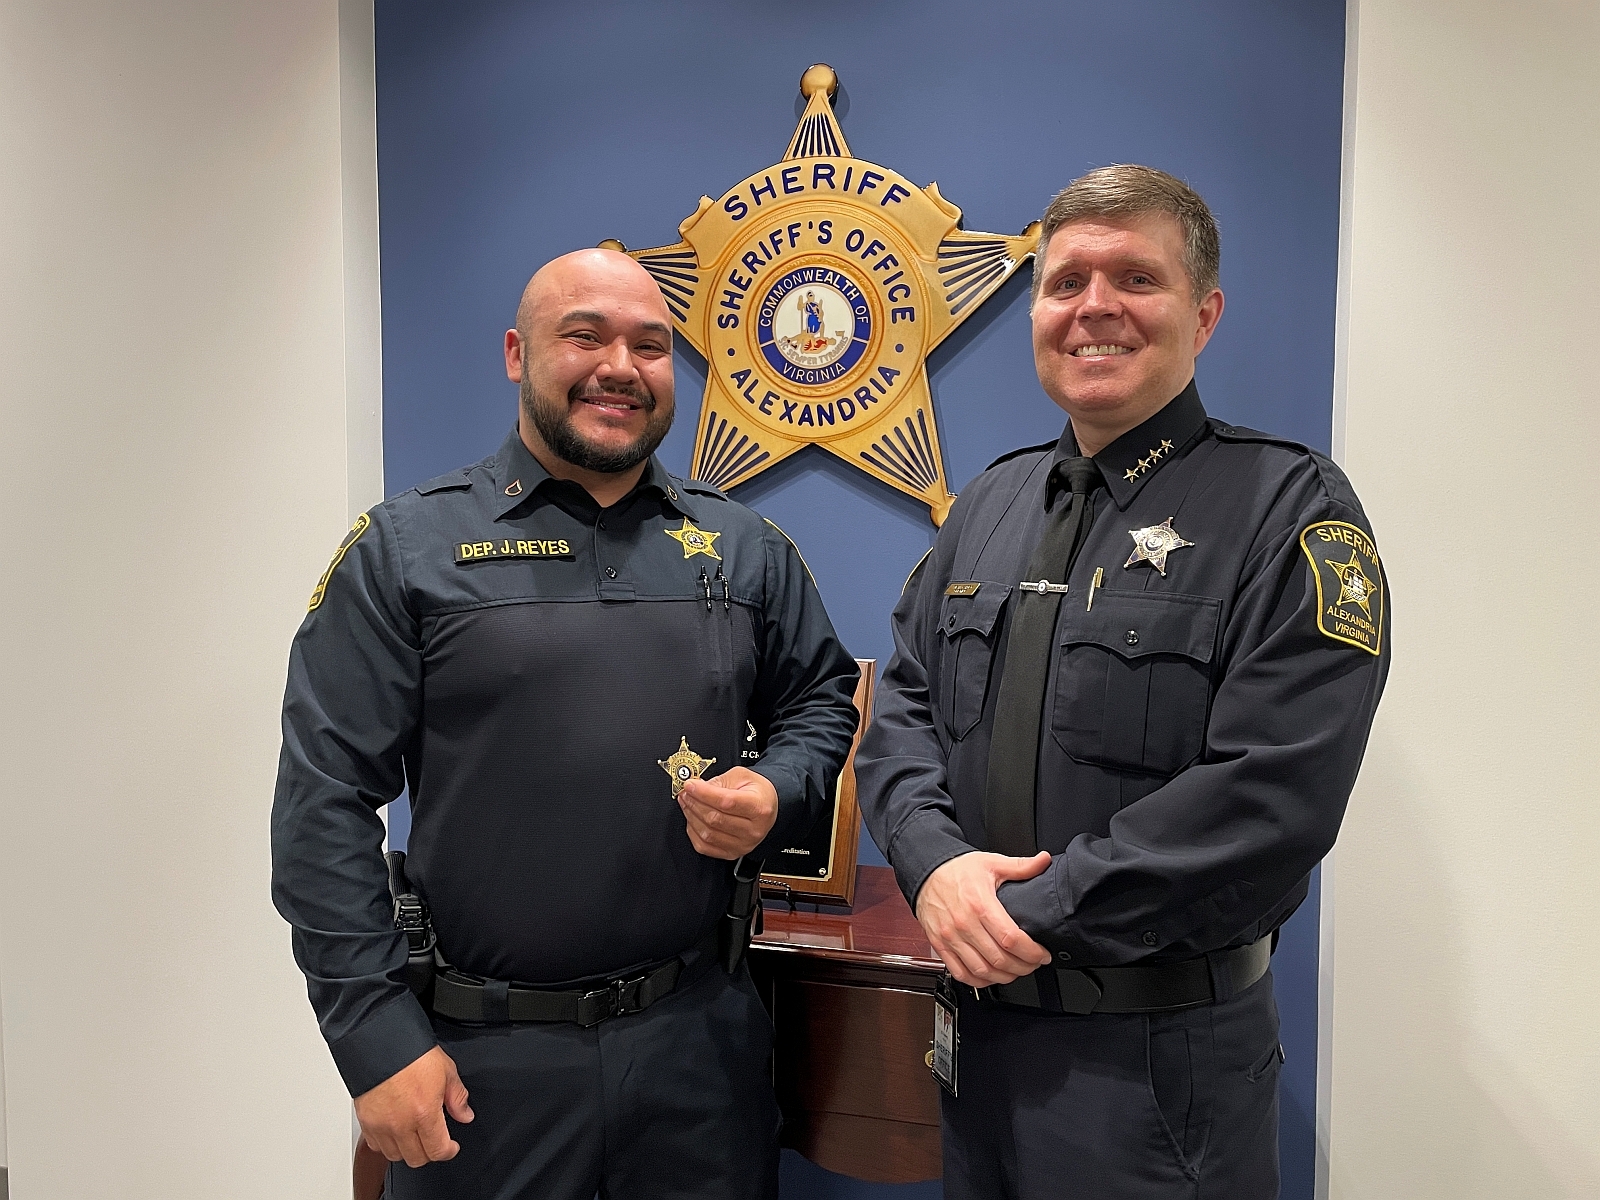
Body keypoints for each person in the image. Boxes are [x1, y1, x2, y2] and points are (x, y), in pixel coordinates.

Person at [271, 248, 860, 1199]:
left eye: (650, 345)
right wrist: (373, 1036)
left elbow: (819, 701)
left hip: (700, 1052)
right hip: (481, 1067)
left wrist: (777, 787)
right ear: (517, 353)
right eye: (584, 336)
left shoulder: (743, 547)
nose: (620, 366)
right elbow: (322, 805)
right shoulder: (406, 551)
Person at [854, 165, 1390, 1198]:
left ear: (1204, 314)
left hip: (1155, 1068)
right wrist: (933, 867)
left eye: (1136, 278)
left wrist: (1029, 912)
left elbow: (1273, 789)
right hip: (977, 1046)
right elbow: (904, 713)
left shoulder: (1288, 508)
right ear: (1036, 314)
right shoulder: (989, 503)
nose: (1094, 306)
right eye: (1065, 283)